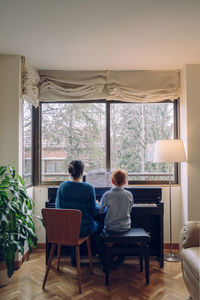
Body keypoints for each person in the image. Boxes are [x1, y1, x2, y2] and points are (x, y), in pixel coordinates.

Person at [56, 159, 102, 266]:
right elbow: (94, 212)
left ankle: (74, 258)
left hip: (65, 228)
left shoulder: (62, 187)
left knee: (72, 223)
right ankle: (100, 257)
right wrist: (97, 204)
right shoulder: (88, 188)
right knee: (99, 225)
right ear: (82, 172)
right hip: (83, 229)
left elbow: (58, 209)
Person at [99, 168, 134, 266]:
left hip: (111, 228)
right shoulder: (129, 195)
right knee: (125, 231)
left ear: (112, 181)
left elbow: (100, 211)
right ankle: (121, 258)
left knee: (100, 230)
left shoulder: (107, 195)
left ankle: (107, 257)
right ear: (124, 182)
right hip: (125, 227)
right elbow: (129, 211)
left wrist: (103, 206)